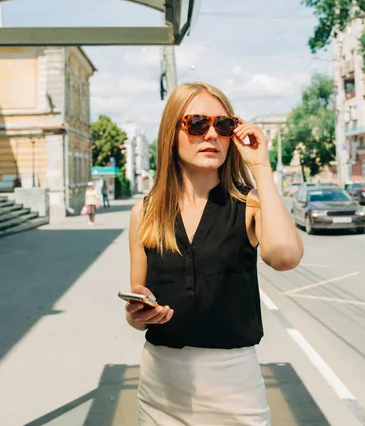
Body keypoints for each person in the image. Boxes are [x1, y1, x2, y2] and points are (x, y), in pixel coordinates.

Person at [125, 82, 304, 426]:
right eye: (196, 123)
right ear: (170, 134)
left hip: (233, 387)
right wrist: (140, 312)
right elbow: (136, 311)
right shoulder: (145, 212)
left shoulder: (249, 203)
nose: (211, 135)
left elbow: (285, 257)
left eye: (223, 125)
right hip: (160, 384)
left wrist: (261, 167)